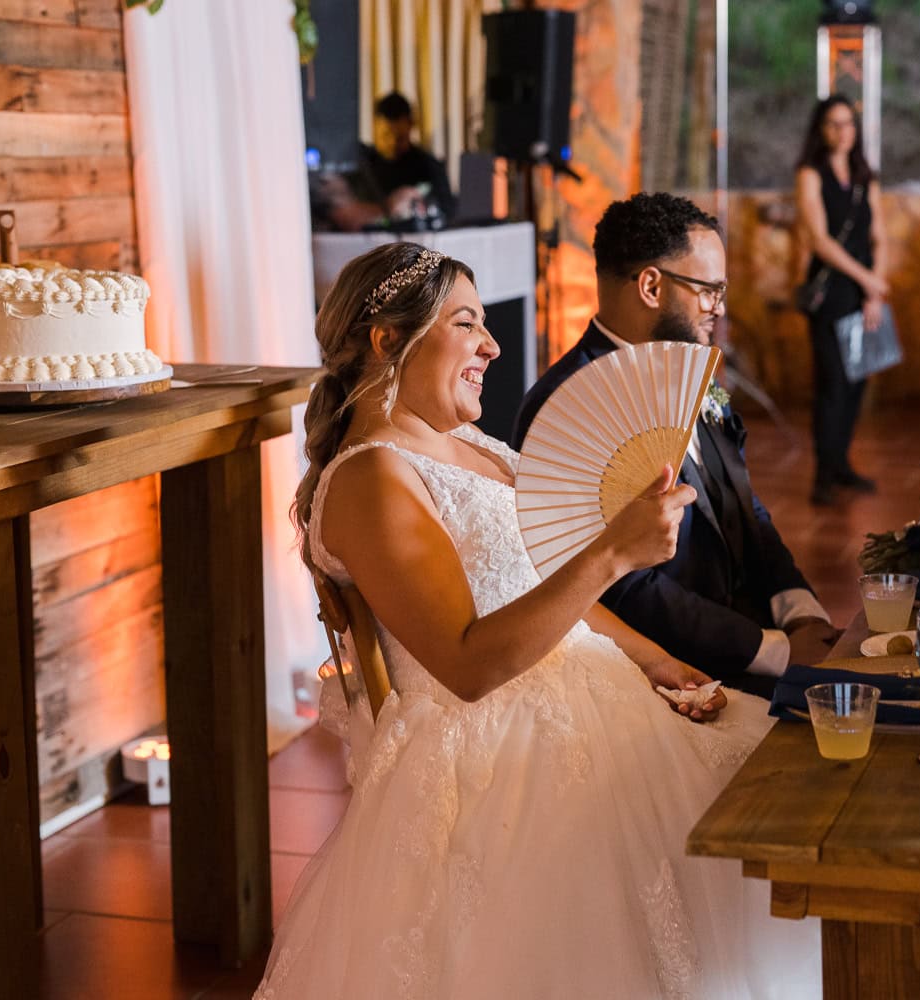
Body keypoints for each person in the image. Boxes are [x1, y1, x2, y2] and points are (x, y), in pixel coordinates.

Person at [254, 242, 822, 998]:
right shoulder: (370, 477)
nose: (492, 345)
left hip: (588, 681)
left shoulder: (469, 444)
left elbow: (544, 589)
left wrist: (653, 658)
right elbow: (467, 666)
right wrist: (615, 553)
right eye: (467, 325)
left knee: (787, 784)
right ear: (389, 340)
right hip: (497, 742)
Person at [512, 193, 841, 694]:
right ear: (650, 286)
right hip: (668, 675)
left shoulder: (692, 368)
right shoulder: (565, 408)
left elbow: (744, 507)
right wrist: (771, 650)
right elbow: (616, 588)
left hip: (752, 634)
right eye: (709, 290)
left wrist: (800, 611)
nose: (721, 308)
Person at [793, 95, 887, 506]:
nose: (842, 131)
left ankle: (842, 463)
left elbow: (879, 234)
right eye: (833, 123)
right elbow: (818, 239)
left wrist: (875, 289)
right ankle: (823, 474)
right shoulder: (810, 174)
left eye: (848, 123)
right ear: (820, 128)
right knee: (831, 382)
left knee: (856, 380)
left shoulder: (867, 175)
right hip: (831, 290)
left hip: (864, 291)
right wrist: (868, 278)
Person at [321, 92, 457, 232]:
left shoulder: (429, 166)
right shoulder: (358, 163)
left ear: (411, 126)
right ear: (375, 126)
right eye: (386, 135)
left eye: (400, 138)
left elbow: (448, 211)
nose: (392, 143)